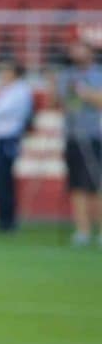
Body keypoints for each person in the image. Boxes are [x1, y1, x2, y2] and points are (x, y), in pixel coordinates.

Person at [55, 41, 102, 246]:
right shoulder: (67, 75)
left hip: (93, 135)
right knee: (77, 185)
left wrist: (84, 92)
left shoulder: (98, 74)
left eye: (80, 48)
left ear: (90, 52)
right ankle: (82, 230)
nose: (75, 51)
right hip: (72, 135)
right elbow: (57, 103)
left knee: (96, 184)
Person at [0, 61, 33, 231]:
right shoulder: (9, 90)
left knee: (4, 180)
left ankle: (7, 220)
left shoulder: (19, 91)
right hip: (2, 137)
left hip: (9, 138)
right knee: (1, 180)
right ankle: (3, 218)